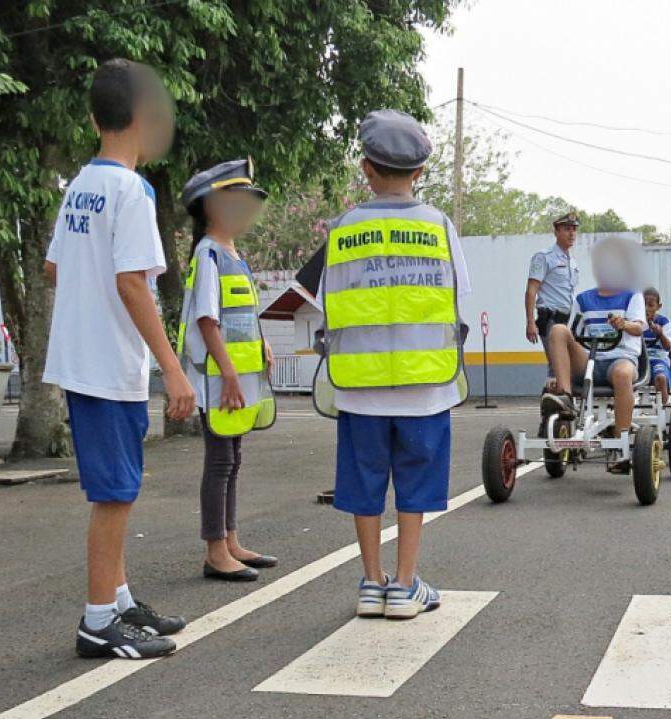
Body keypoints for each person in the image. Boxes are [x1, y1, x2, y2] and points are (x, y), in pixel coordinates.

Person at [42, 59, 194, 659]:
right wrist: (173, 367)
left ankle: (120, 599)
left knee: (118, 489)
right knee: (114, 495)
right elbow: (133, 282)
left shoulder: (82, 184)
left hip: (86, 359)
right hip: (108, 365)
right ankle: (98, 620)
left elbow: (56, 266)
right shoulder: (131, 191)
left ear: (93, 116)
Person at [318, 110, 471, 620]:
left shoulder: (343, 231)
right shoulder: (438, 227)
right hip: (425, 385)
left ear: (366, 168)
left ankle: (370, 581)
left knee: (364, 483)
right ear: (420, 172)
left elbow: (326, 307)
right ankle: (405, 584)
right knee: (414, 482)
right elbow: (458, 301)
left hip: (359, 386)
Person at [177, 158, 280, 582]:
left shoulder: (234, 255)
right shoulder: (208, 254)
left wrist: (262, 343)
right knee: (220, 460)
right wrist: (230, 375)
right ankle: (215, 551)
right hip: (218, 380)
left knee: (232, 459)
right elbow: (207, 320)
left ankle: (231, 541)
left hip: (235, 377)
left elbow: (239, 315)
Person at [540, 237, 646, 458]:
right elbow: (569, 337)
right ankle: (566, 397)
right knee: (558, 330)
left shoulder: (632, 295)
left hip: (620, 358)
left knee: (622, 373)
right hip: (588, 360)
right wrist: (555, 375)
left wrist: (623, 323)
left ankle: (620, 440)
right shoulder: (583, 299)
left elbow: (638, 328)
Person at [525, 212, 580, 369]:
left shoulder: (572, 261)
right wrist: (530, 322)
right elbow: (531, 290)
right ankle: (549, 393)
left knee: (569, 368)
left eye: (574, 229)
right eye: (567, 229)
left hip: (568, 321)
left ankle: (557, 393)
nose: (572, 233)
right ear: (556, 232)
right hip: (551, 320)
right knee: (558, 367)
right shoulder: (544, 257)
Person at [641, 287, 671, 405]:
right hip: (639, 362)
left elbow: (668, 347)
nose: (646, 309)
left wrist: (661, 334)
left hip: (658, 360)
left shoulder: (664, 323)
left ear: (658, 306)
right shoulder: (635, 323)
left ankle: (663, 410)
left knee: (661, 377)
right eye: (643, 304)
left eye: (650, 305)